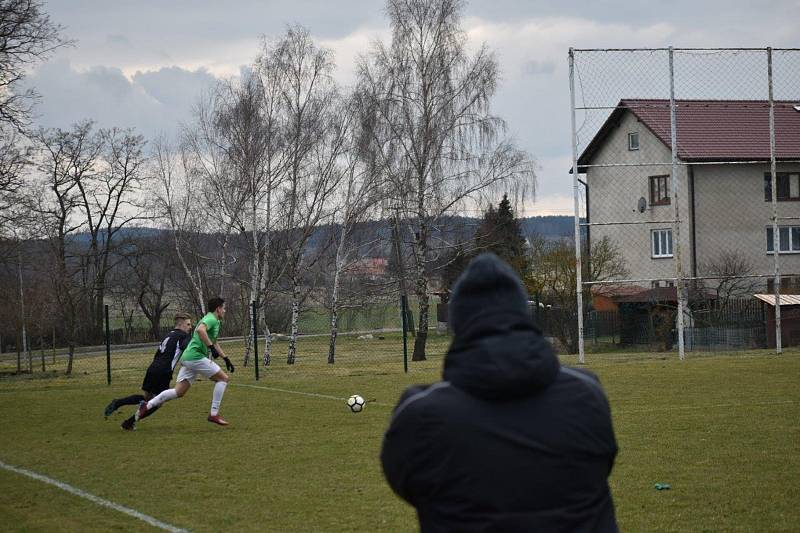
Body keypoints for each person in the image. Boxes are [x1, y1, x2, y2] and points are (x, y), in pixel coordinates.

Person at [381, 253, 619, 532]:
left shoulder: (420, 415)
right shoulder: (587, 395)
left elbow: (404, 479)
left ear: (459, 324)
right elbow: (601, 464)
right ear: (522, 315)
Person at [136, 297, 235, 426]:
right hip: (195, 357)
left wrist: (225, 358)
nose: (225, 311)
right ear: (218, 309)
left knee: (179, 392)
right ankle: (214, 414)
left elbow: (214, 341)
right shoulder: (211, 318)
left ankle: (147, 405)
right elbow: (200, 330)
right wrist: (210, 348)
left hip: (189, 358)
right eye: (224, 308)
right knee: (223, 379)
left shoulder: (215, 321)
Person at [103, 313, 193, 431]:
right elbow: (186, 348)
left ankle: (118, 403)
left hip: (153, 368)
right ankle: (129, 422)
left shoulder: (168, 335)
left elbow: (159, 353)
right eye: (188, 324)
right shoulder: (184, 336)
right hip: (164, 371)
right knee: (159, 401)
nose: (190, 327)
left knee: (147, 398)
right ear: (180, 323)